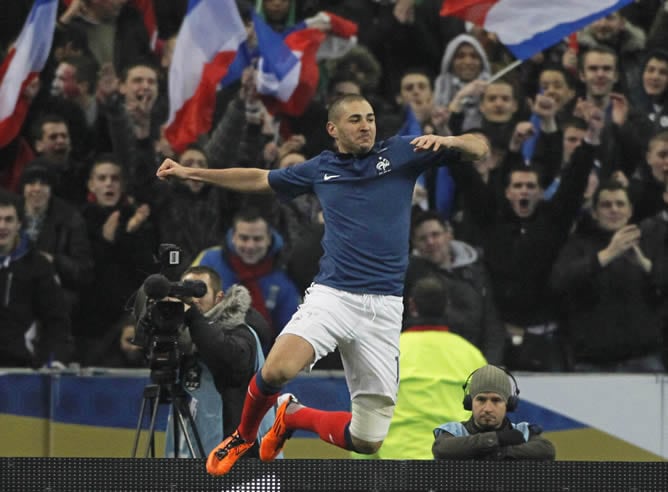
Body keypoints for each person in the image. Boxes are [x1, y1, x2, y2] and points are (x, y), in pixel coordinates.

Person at [156, 94, 489, 475]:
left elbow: (479, 149)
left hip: (383, 309)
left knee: (367, 441)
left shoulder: (402, 152)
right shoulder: (320, 169)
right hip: (334, 295)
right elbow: (258, 178)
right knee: (277, 369)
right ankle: (244, 436)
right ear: (333, 129)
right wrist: (191, 172)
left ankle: (292, 416)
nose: (365, 126)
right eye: (354, 120)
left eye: (370, 118)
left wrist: (452, 142)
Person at [550, 180, 666, 372]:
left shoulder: (649, 241)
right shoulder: (578, 244)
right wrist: (608, 254)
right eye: (606, 205)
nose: (614, 209)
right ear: (594, 213)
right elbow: (559, 282)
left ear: (630, 211)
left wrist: (646, 266)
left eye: (620, 204)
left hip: (644, 358)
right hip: (593, 361)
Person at [163, 266, 276, 458]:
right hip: (195, 453)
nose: (193, 299)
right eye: (186, 292)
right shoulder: (183, 337)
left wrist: (192, 317)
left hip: (246, 463)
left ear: (219, 298)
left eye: (199, 291)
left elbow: (229, 360)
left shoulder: (243, 331)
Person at [372, 275, 487, 459]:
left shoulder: (385, 352)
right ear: (446, 305)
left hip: (398, 462)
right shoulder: (471, 355)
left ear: (411, 305)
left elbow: (365, 415)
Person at [404, 211, 504, 364]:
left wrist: (490, 367)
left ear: (448, 235)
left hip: (475, 361)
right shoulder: (410, 277)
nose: (430, 242)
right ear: (415, 244)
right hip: (432, 361)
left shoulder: (476, 272)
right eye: (423, 238)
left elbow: (491, 323)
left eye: (435, 234)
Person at [192, 208, 301, 342]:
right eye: (244, 238)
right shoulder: (209, 261)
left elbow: (288, 333)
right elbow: (188, 303)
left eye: (257, 239)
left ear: (269, 239)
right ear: (233, 237)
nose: (250, 245)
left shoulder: (283, 276)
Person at [0, 190, 75, 368]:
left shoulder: (38, 266)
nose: (2, 226)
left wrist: (55, 358)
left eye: (9, 219)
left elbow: (56, 320)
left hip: (21, 369)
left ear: (19, 223)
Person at [432, 364, 556, 461]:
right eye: (481, 399)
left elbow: (546, 450)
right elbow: (442, 449)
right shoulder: (455, 431)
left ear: (509, 404)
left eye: (496, 400)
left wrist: (501, 452)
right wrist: (496, 439)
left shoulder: (523, 431)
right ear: (470, 402)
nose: (488, 408)